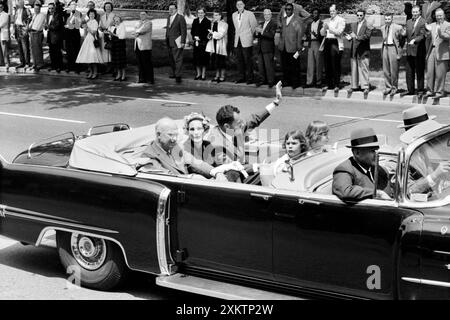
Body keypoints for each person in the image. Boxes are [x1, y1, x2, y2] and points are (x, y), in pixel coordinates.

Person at [206, 81, 283, 181]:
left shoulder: (237, 127)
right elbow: (234, 167)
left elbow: (255, 118)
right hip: (229, 178)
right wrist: (257, 166)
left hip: (242, 171)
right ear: (227, 126)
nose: (243, 124)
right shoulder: (215, 143)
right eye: (239, 123)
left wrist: (276, 102)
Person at [139, 117, 238, 181]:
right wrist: (191, 178)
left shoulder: (176, 147)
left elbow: (195, 162)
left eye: (176, 135)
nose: (174, 139)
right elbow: (166, 176)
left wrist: (216, 172)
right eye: (170, 135)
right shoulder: (149, 155)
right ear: (158, 135)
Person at [332, 127, 391, 202]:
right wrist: (376, 193)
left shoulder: (382, 171)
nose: (377, 154)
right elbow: (345, 191)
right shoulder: (345, 169)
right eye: (372, 150)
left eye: (377, 150)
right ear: (357, 153)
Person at [401, 5, 426, 97]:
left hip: (419, 50)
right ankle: (410, 90)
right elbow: (406, 34)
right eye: (413, 12)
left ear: (419, 12)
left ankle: (420, 90)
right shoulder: (408, 22)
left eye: (416, 12)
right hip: (409, 50)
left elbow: (422, 35)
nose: (414, 14)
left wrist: (415, 40)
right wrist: (402, 34)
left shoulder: (423, 22)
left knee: (419, 71)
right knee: (409, 71)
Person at [424, 8, 450, 99]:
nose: (439, 17)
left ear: (444, 16)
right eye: (437, 15)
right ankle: (429, 90)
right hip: (432, 50)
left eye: (441, 15)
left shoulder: (448, 25)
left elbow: (448, 36)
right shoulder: (433, 25)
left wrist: (441, 33)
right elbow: (427, 33)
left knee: (440, 73)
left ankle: (440, 91)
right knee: (430, 71)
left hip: (442, 52)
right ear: (435, 16)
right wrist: (426, 31)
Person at [320, 4, 345, 92]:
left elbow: (339, 32)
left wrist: (329, 28)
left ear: (337, 11)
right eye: (330, 11)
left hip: (335, 43)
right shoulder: (328, 20)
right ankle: (329, 84)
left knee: (335, 64)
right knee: (327, 64)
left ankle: (337, 84)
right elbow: (323, 34)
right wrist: (323, 28)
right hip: (327, 42)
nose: (331, 13)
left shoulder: (341, 20)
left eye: (333, 11)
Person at [278, 3, 303, 89]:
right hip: (284, 46)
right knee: (285, 65)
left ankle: (295, 83)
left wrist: (299, 46)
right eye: (286, 9)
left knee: (294, 66)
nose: (288, 11)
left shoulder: (296, 20)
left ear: (292, 10)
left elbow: (299, 34)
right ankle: (286, 81)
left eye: (289, 9)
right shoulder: (283, 19)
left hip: (293, 46)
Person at [232, 0, 258, 84]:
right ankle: (241, 77)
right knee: (239, 60)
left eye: (241, 4)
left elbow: (254, 26)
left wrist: (251, 37)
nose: (239, 5)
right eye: (237, 4)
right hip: (237, 40)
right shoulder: (234, 15)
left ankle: (250, 78)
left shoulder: (250, 14)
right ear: (236, 6)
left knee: (248, 60)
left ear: (244, 5)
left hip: (247, 40)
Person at [347, 9, 372, 95]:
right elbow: (351, 35)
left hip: (363, 50)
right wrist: (349, 36)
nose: (359, 17)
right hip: (354, 49)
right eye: (358, 15)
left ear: (364, 15)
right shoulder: (353, 25)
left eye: (361, 15)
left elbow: (367, 36)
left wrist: (357, 37)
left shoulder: (368, 24)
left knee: (364, 69)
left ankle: (365, 87)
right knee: (354, 68)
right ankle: (354, 86)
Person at [76, 9, 103, 79]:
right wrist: (83, 26)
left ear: (95, 15)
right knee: (88, 58)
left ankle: (95, 72)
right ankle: (91, 72)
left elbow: (93, 32)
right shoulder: (88, 21)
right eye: (90, 14)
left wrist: (87, 27)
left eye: (93, 14)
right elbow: (84, 30)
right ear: (89, 14)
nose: (92, 15)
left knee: (93, 58)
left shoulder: (95, 22)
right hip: (87, 39)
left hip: (93, 39)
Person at [380, 13, 403, 97]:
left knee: (394, 70)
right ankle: (388, 87)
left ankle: (394, 87)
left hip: (393, 48)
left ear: (392, 19)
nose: (387, 21)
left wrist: (399, 51)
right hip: (385, 48)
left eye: (389, 19)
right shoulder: (383, 28)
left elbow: (402, 39)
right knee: (386, 69)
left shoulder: (398, 27)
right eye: (386, 19)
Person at [254, 9, 277, 88]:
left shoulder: (273, 24)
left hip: (268, 48)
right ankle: (262, 80)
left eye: (268, 14)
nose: (266, 16)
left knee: (269, 66)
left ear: (271, 15)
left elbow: (271, 35)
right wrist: (256, 32)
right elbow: (257, 35)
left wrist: (262, 31)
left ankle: (271, 81)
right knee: (261, 66)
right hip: (260, 48)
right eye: (265, 14)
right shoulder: (261, 23)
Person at [165, 3, 187, 84]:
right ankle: (173, 73)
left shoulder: (180, 18)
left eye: (172, 9)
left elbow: (183, 31)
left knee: (178, 59)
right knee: (171, 59)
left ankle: (178, 76)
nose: (170, 10)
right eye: (169, 8)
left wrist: (182, 42)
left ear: (176, 9)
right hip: (169, 41)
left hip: (177, 42)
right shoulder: (169, 17)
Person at [206, 8, 228, 83]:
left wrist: (212, 33)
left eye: (216, 15)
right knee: (216, 60)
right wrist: (210, 35)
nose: (214, 16)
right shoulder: (213, 24)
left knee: (221, 60)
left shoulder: (224, 24)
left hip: (221, 45)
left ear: (220, 15)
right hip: (214, 44)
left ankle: (222, 76)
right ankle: (217, 75)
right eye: (214, 15)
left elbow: (220, 35)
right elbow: (211, 34)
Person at [305, 8, 324, 88]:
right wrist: (308, 35)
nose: (314, 15)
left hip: (318, 43)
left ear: (319, 15)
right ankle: (309, 82)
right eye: (313, 13)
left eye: (316, 13)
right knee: (310, 63)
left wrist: (317, 35)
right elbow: (306, 32)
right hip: (310, 43)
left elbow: (323, 35)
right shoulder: (310, 24)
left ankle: (319, 81)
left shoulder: (322, 24)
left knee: (319, 63)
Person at [134, 11, 154, 84]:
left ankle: (149, 79)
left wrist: (137, 31)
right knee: (140, 63)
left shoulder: (149, 23)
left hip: (145, 46)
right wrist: (137, 31)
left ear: (147, 15)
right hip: (137, 45)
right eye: (140, 14)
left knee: (147, 63)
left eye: (143, 14)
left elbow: (143, 30)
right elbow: (136, 30)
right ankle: (141, 78)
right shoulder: (137, 23)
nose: (142, 16)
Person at [191, 7, 209, 81]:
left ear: (204, 13)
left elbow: (208, 33)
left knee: (203, 59)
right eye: (199, 13)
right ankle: (198, 74)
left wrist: (201, 38)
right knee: (196, 59)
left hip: (203, 43)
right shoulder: (195, 21)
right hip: (196, 42)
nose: (200, 14)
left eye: (202, 13)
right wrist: (194, 37)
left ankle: (203, 75)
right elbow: (192, 31)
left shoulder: (207, 21)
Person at [64, 0, 82, 73]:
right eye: (72, 4)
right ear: (69, 6)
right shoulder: (66, 13)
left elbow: (78, 25)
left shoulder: (78, 13)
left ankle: (77, 68)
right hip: (68, 35)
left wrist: (70, 25)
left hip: (75, 35)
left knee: (76, 51)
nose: (73, 6)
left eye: (75, 4)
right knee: (68, 51)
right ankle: (69, 67)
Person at [12, 0, 32, 68]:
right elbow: (14, 21)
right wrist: (13, 31)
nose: (19, 4)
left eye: (21, 2)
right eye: (18, 2)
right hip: (17, 29)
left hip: (23, 29)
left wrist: (26, 24)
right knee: (19, 47)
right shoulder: (17, 11)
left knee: (25, 47)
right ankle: (22, 62)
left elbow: (30, 17)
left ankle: (27, 63)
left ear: (23, 3)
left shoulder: (26, 10)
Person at [106, 15, 126, 81]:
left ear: (120, 20)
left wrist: (113, 34)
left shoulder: (122, 26)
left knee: (121, 60)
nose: (116, 22)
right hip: (114, 45)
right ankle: (118, 74)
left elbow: (121, 36)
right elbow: (110, 35)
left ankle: (123, 75)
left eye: (117, 20)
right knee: (116, 61)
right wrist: (109, 31)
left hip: (120, 45)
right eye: (115, 20)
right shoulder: (114, 27)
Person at [46, 1, 65, 72]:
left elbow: (57, 26)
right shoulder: (47, 15)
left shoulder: (58, 15)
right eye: (49, 8)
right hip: (50, 36)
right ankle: (53, 65)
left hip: (56, 36)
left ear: (54, 8)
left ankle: (59, 66)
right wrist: (46, 26)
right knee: (51, 52)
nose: (50, 10)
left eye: (52, 8)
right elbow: (48, 24)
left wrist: (48, 26)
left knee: (57, 52)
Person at [28, 1, 46, 71]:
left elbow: (38, 26)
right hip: (32, 33)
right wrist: (28, 28)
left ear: (40, 9)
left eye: (37, 9)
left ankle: (40, 63)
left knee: (38, 49)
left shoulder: (42, 15)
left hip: (37, 33)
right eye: (35, 9)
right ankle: (35, 63)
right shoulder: (34, 15)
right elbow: (32, 23)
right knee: (33, 49)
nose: (36, 10)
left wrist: (31, 28)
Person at [98, 2, 115, 72]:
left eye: (109, 7)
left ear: (111, 7)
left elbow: (116, 25)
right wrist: (101, 29)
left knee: (111, 51)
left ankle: (112, 67)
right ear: (104, 8)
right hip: (104, 36)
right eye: (106, 7)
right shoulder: (102, 16)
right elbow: (99, 26)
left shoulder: (114, 16)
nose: (107, 8)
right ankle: (107, 66)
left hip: (111, 35)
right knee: (105, 50)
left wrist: (109, 30)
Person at [0, 2, 9, 68]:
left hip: (3, 33)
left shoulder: (5, 14)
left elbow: (3, 23)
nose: (0, 8)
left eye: (1, 7)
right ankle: (1, 62)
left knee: (4, 49)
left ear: (3, 7)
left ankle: (7, 63)